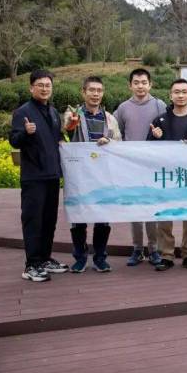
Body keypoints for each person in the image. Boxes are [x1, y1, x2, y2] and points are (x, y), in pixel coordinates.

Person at [9, 70, 69, 281]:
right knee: (33, 220)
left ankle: (44, 258)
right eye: (40, 85)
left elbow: (57, 139)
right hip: (34, 176)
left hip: (52, 175)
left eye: (48, 85)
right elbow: (14, 141)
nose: (45, 89)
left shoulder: (53, 111)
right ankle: (31, 265)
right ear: (31, 88)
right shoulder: (22, 112)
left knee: (49, 220)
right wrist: (26, 132)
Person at [62, 76, 122, 273]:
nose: (96, 94)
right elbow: (67, 128)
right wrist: (71, 124)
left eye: (99, 90)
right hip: (79, 176)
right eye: (92, 90)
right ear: (83, 92)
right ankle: (80, 258)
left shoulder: (110, 118)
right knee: (78, 217)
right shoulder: (73, 114)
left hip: (103, 176)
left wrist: (110, 142)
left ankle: (100, 258)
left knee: (103, 217)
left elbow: (119, 143)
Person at [148, 78, 187, 271]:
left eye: (184, 92)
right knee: (165, 216)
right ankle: (166, 254)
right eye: (177, 92)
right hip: (166, 175)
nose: (180, 95)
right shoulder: (160, 120)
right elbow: (148, 149)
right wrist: (156, 138)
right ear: (170, 95)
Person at [114, 68, 166, 267]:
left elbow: (166, 132)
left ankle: (154, 249)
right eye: (136, 82)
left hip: (153, 166)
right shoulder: (123, 108)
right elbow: (115, 133)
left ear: (150, 84)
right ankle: (137, 249)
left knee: (152, 208)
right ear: (130, 85)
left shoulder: (160, 105)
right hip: (130, 167)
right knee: (134, 209)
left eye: (144, 82)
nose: (140, 86)